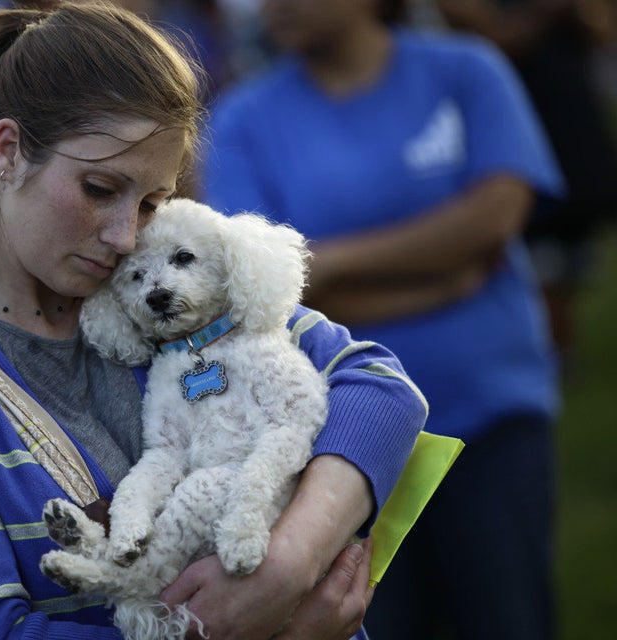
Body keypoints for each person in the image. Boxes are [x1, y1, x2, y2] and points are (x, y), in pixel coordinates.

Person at [0, 3, 427, 639]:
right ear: (8, 150)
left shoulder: (156, 289)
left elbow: (378, 385)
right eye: (99, 188)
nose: (127, 238)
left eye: (152, 202)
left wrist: (287, 563)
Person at [201, 1, 564, 638]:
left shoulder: (466, 70)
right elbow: (253, 298)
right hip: (338, 455)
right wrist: (446, 275)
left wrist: (329, 261)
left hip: (491, 420)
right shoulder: (242, 120)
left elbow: (498, 214)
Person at [434, 0, 617, 371]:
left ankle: (564, 349)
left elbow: (600, 32)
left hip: (568, 112)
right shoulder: (474, 62)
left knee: (570, 243)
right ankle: (553, 354)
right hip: (523, 113)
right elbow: (497, 37)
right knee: (539, 240)